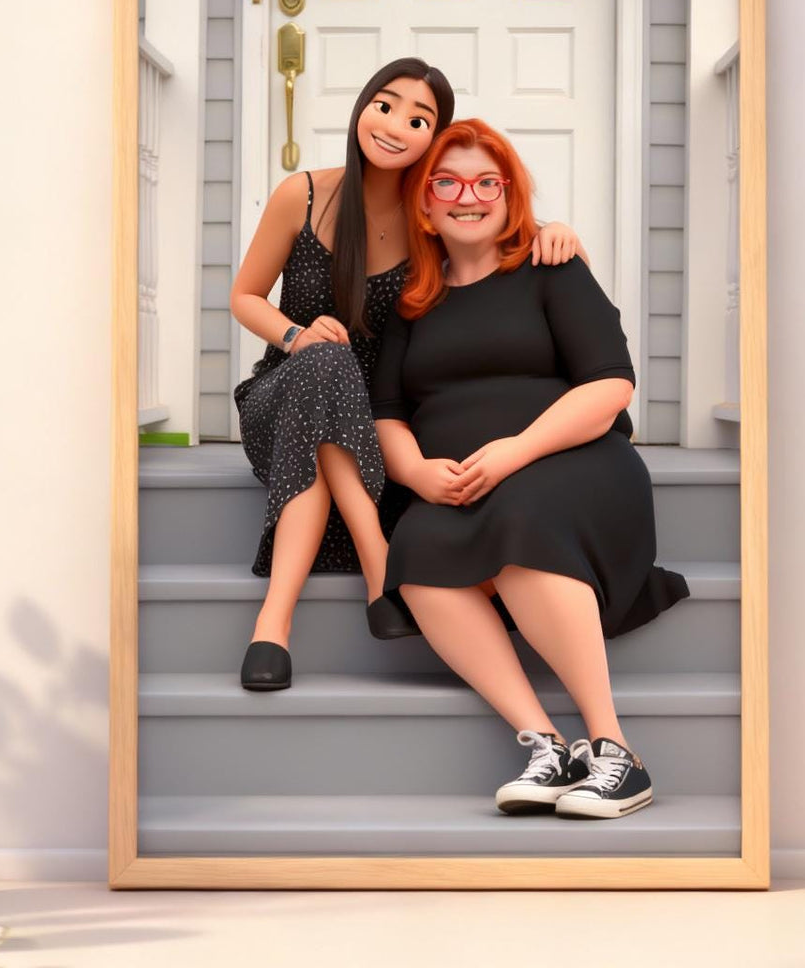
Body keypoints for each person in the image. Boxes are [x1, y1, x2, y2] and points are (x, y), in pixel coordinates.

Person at [370, 118, 690, 819]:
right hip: (463, 487)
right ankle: (547, 745)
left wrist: (517, 449)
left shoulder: (551, 267)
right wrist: (418, 473)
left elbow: (610, 387)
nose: (469, 196)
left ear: (511, 196)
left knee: (518, 516)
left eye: (489, 182)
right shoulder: (410, 299)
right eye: (447, 182)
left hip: (575, 464)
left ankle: (615, 752)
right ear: (423, 203)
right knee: (419, 545)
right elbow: (387, 414)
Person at [230, 60, 583, 691]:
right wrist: (296, 334)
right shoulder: (303, 194)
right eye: (385, 105)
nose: (395, 126)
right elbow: (246, 296)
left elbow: (501, 238)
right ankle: (374, 573)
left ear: (434, 137)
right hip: (283, 399)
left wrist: (556, 232)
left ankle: (270, 632)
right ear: (362, 107)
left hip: (381, 426)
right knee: (325, 363)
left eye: (418, 119)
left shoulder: (433, 216)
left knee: (334, 388)